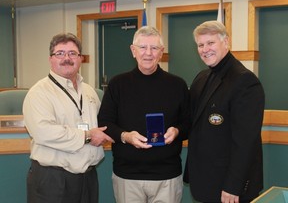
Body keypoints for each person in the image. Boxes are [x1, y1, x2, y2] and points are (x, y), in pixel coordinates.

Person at [98, 26, 190, 203]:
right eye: (143, 47)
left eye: (154, 48)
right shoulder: (117, 84)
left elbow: (188, 123)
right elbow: (105, 121)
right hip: (127, 176)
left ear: (161, 52)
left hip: (167, 176)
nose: (148, 53)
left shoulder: (177, 85)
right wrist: (125, 136)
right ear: (133, 51)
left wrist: (177, 131)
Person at [23, 32, 114, 203]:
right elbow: (44, 132)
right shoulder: (38, 93)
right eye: (60, 53)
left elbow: (102, 123)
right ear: (51, 59)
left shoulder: (89, 91)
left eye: (72, 53)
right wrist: (87, 136)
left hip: (87, 178)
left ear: (80, 59)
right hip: (52, 179)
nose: (67, 58)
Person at [184, 20, 265, 203]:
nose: (205, 49)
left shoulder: (245, 81)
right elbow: (191, 121)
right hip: (206, 182)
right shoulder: (202, 77)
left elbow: (245, 142)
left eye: (211, 43)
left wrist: (233, 186)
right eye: (200, 45)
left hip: (229, 189)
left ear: (226, 42)